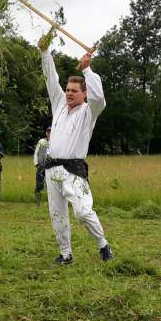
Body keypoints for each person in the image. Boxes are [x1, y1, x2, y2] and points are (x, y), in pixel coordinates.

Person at [38, 27, 113, 265]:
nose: (68, 93)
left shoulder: (89, 112)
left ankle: (103, 244)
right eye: (68, 90)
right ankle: (66, 253)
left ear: (83, 93)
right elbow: (51, 78)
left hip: (74, 171)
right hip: (52, 170)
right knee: (57, 214)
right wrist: (44, 51)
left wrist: (87, 68)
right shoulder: (59, 104)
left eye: (73, 91)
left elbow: (99, 98)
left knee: (82, 211)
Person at [33, 126, 51, 206]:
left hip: (51, 167)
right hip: (41, 166)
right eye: (48, 132)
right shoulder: (42, 141)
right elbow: (36, 153)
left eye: (51, 132)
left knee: (50, 186)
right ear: (46, 133)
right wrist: (36, 164)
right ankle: (37, 203)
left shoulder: (56, 142)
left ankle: (51, 203)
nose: (50, 133)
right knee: (39, 184)